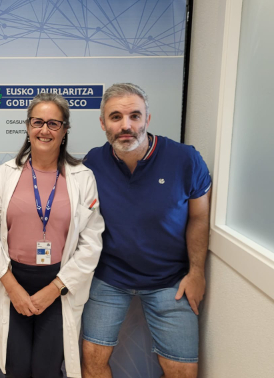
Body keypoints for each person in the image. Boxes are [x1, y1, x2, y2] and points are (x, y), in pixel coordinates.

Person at [80, 83, 212, 378]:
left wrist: (197, 272)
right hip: (110, 277)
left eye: (135, 116)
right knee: (91, 360)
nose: (126, 126)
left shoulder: (185, 159)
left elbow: (200, 219)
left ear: (147, 120)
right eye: (115, 117)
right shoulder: (92, 163)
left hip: (171, 280)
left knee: (182, 372)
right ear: (103, 123)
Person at [0, 93, 105, 378]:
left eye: (53, 123)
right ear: (27, 126)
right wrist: (13, 289)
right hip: (13, 282)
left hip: (59, 286)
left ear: (65, 129)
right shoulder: (5, 174)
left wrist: (54, 289)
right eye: (37, 122)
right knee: (17, 369)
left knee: (47, 370)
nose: (44, 130)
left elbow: (91, 244)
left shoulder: (83, 177)